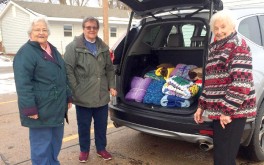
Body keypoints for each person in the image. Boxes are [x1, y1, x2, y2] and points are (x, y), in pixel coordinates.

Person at [194, 10, 257, 165]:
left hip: (232, 112)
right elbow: (210, 81)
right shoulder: (216, 47)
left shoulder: (237, 46)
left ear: (232, 27)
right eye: (216, 28)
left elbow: (241, 84)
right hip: (220, 111)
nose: (219, 31)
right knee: (222, 156)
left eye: (223, 27)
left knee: (224, 158)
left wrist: (227, 111)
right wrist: (201, 106)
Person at [13, 17, 72, 165]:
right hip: (40, 110)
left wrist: (68, 97)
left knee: (55, 143)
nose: (41, 32)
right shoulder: (26, 53)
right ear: (30, 33)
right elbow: (23, 84)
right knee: (41, 147)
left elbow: (62, 75)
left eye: (44, 29)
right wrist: (29, 108)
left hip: (57, 107)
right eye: (37, 29)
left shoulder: (53, 50)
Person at [64, 17, 117, 163]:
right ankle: (84, 150)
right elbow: (68, 70)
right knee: (84, 126)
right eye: (88, 27)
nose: (91, 30)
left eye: (94, 27)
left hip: (101, 95)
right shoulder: (73, 47)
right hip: (83, 97)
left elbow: (109, 69)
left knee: (101, 126)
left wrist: (112, 85)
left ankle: (101, 148)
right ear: (83, 29)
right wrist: (76, 88)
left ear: (97, 29)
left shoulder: (104, 47)